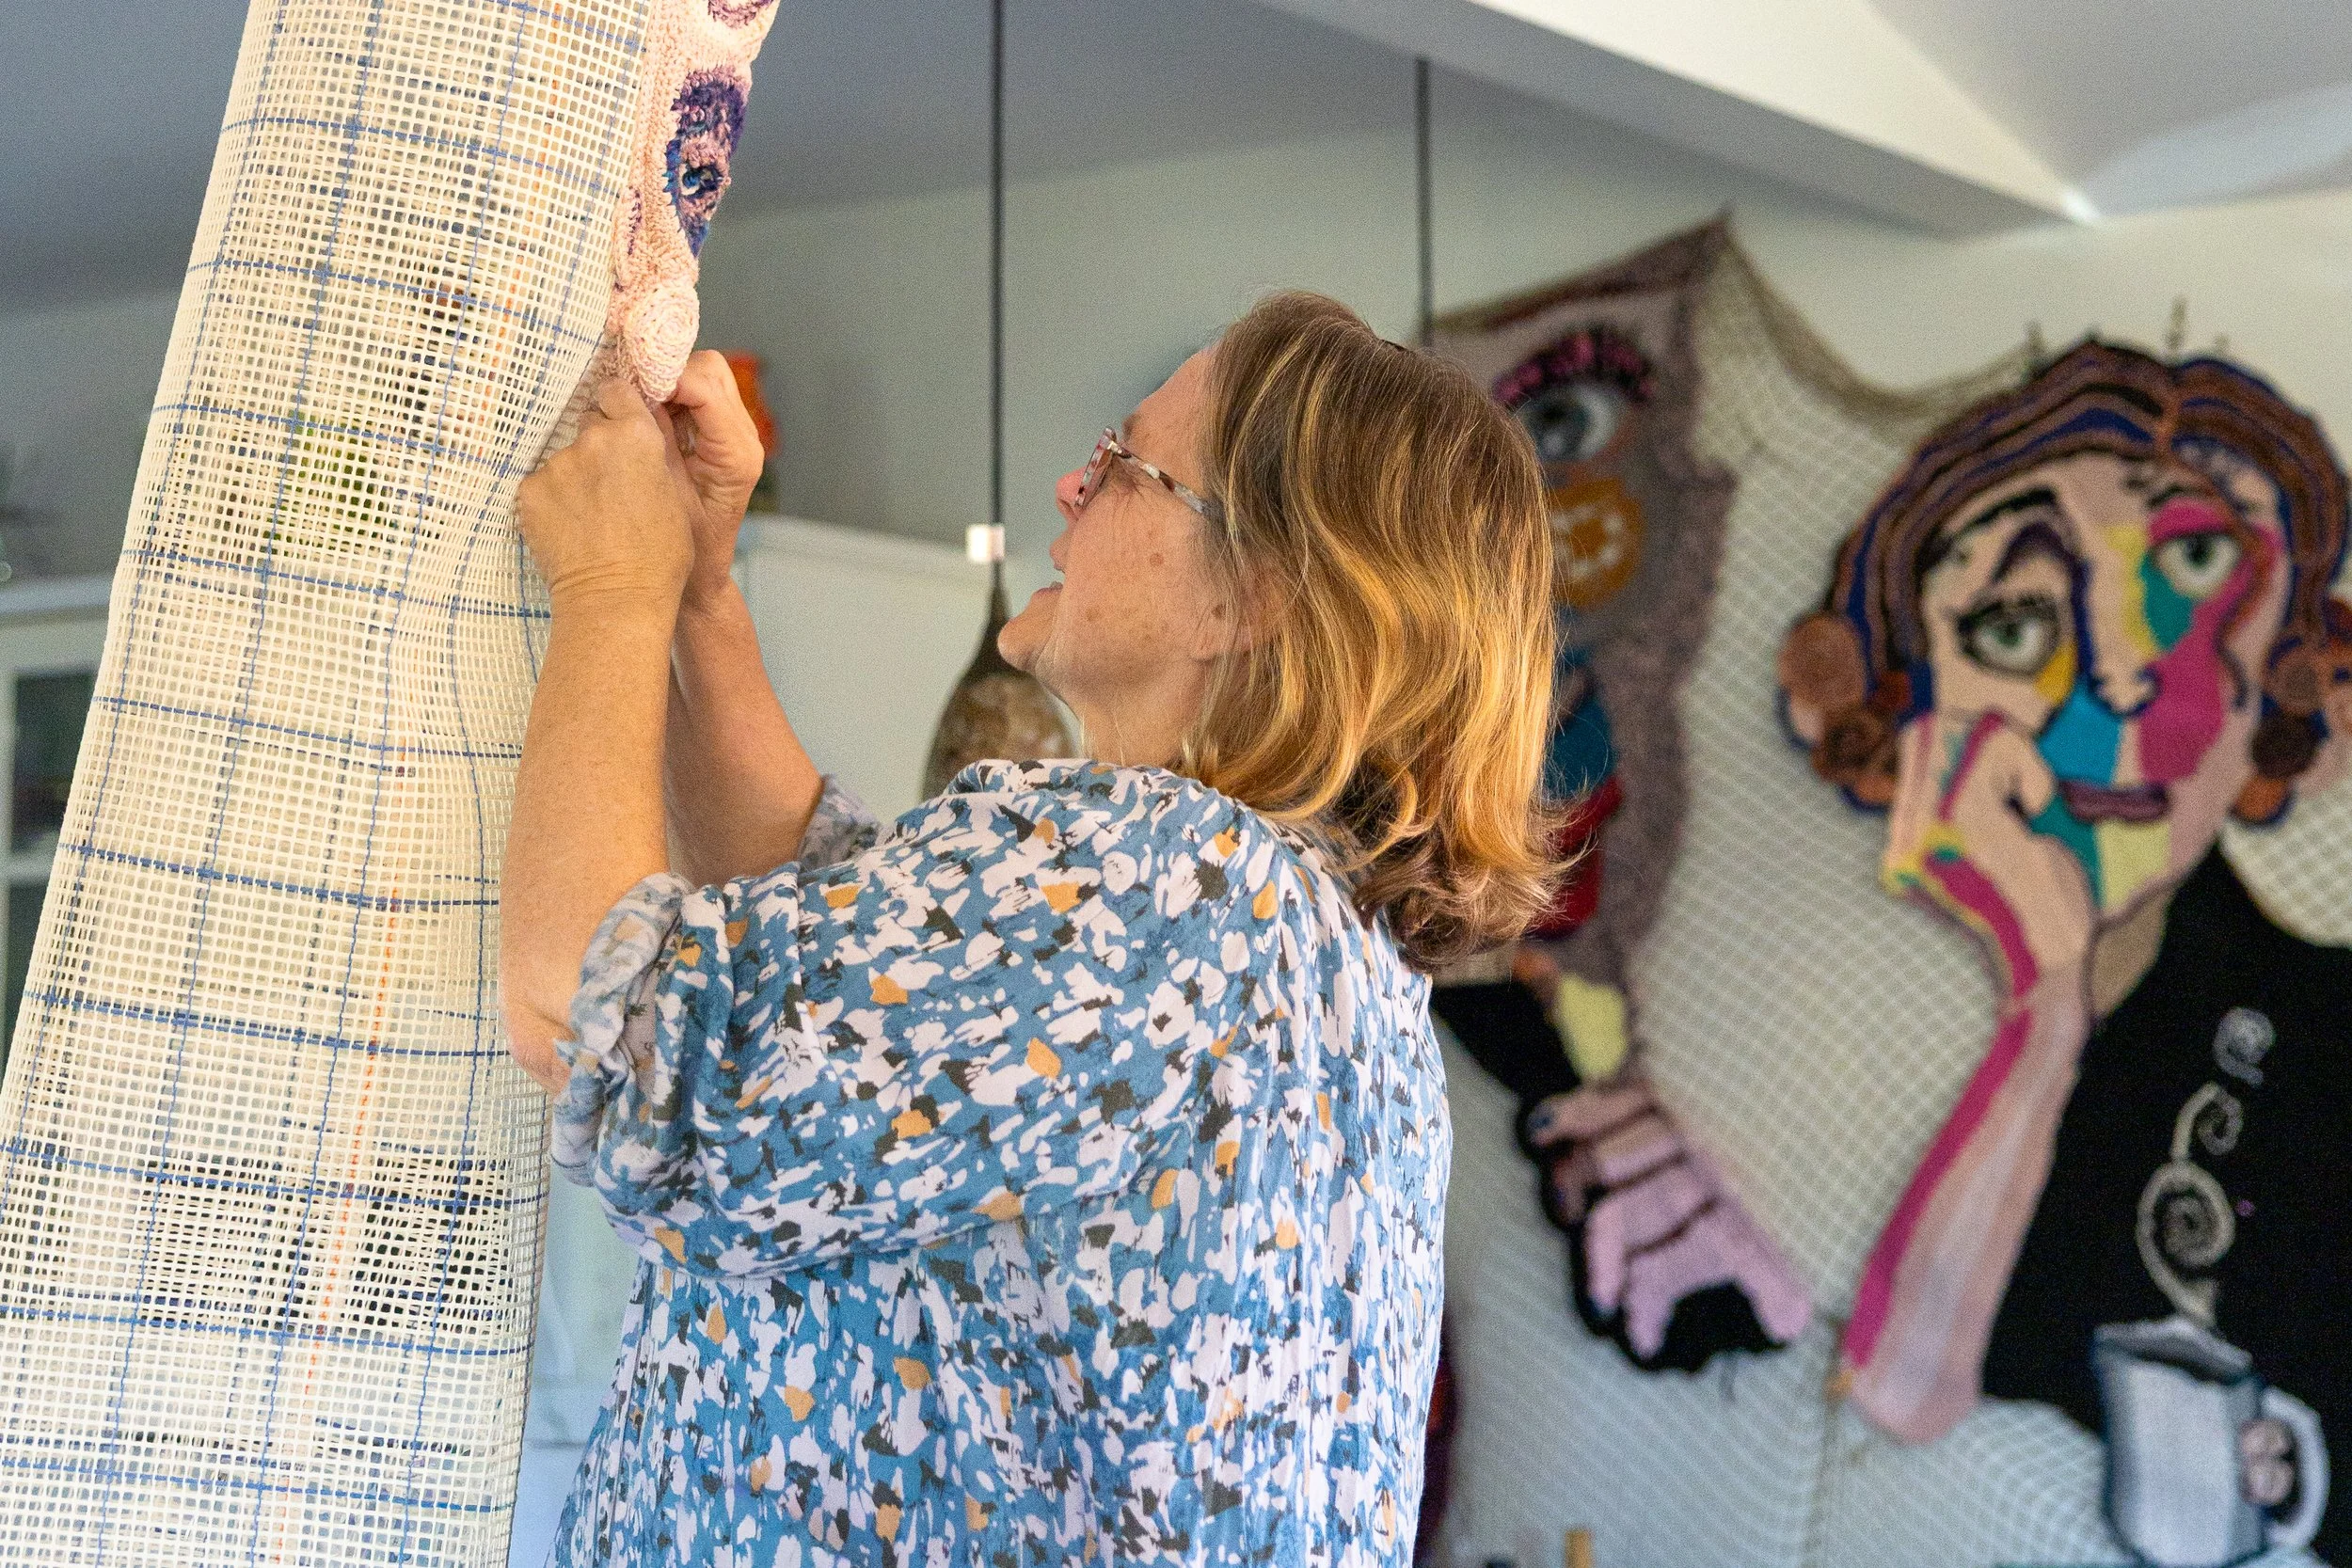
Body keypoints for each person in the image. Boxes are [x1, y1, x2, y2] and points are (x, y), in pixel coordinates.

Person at [501, 292, 1560, 1565]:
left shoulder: (1173, 880)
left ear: (1255, 596)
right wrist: (701, 593)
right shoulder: (1299, 935)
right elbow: (830, 986)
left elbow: (604, 1019)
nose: (1072, 482)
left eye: (1129, 465)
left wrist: (614, 585)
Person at [1779, 340, 2352, 1562]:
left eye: (2194, 567)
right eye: (2014, 619)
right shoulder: (1836, 1013)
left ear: (2282, 683)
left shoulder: (2323, 1042)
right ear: (1907, 713)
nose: (2125, 675)